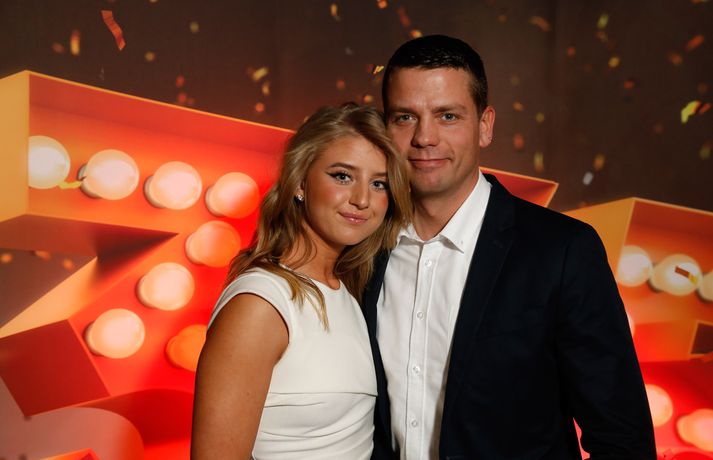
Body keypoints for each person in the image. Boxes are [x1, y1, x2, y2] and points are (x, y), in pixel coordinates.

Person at [362, 35, 656, 459]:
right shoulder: (360, 247)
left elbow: (622, 438)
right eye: (405, 117)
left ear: (485, 126)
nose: (424, 137)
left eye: (448, 116)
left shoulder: (562, 251)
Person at [191, 103, 411, 460]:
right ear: (299, 183)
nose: (361, 199)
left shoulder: (350, 294)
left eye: (378, 184)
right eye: (342, 176)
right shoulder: (261, 304)